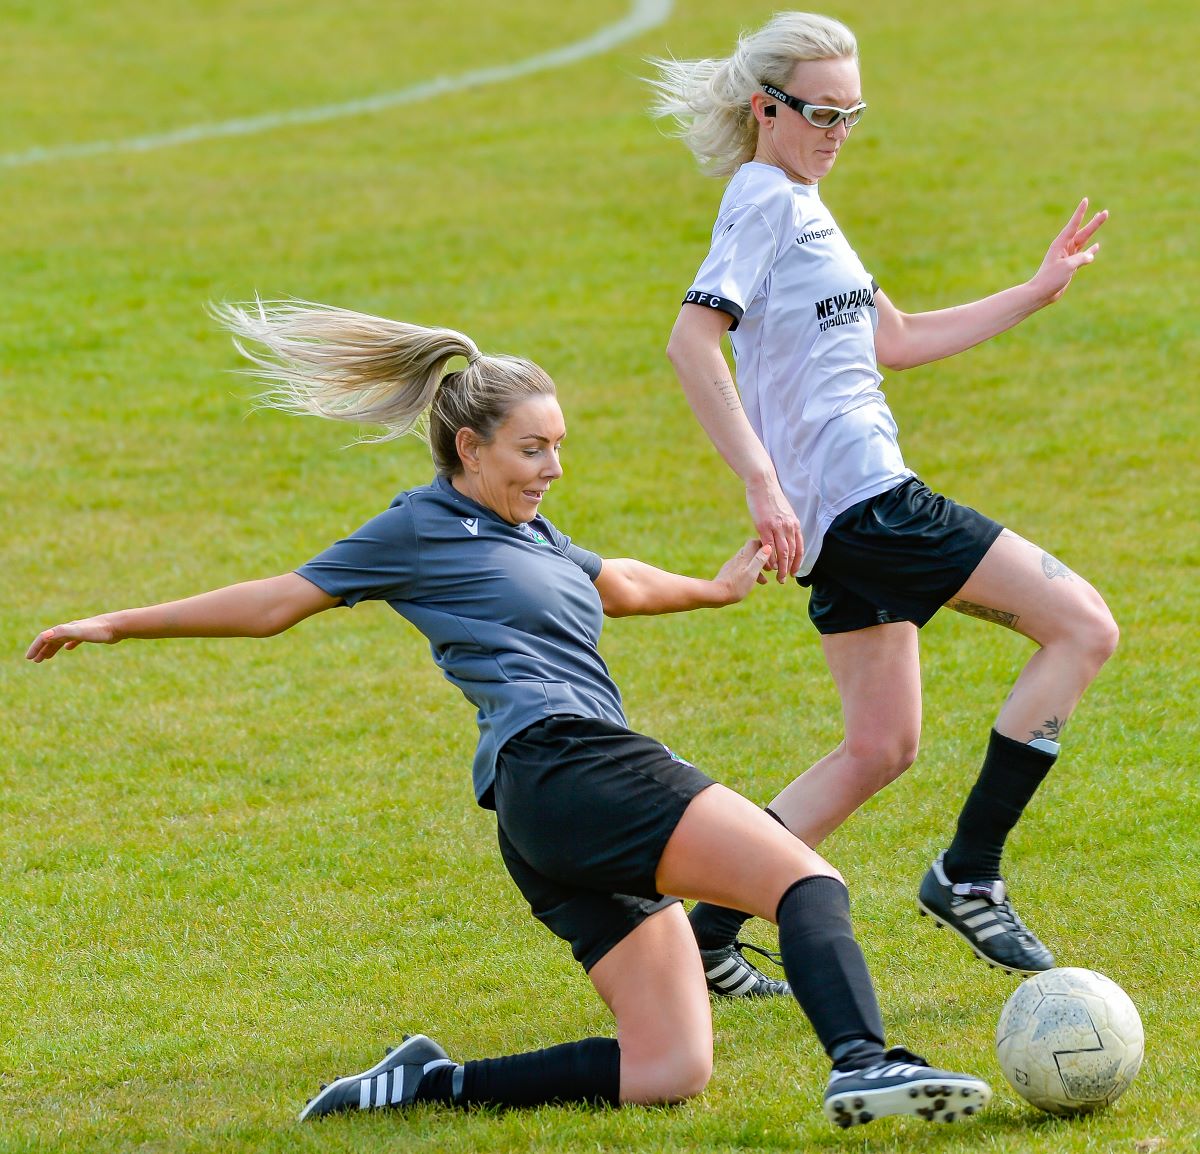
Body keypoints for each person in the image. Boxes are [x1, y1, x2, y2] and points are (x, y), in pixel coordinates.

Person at [26, 300, 992, 1129]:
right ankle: (868, 1064)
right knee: (807, 883)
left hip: (545, 814)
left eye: (558, 447)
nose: (553, 469)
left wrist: (713, 589)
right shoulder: (417, 527)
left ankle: (431, 1082)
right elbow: (280, 601)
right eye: (534, 449)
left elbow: (613, 581)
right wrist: (117, 622)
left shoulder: (529, 527)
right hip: (572, 763)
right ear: (469, 448)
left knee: (669, 1069)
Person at [647, 11, 1118, 992]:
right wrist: (760, 479)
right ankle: (971, 872)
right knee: (1083, 625)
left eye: (853, 115)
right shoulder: (765, 200)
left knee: (880, 746)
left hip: (843, 522)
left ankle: (706, 937)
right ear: (764, 109)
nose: (837, 133)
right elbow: (693, 340)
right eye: (821, 113)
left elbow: (892, 339)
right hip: (868, 503)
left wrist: (1034, 292)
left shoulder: (802, 203)